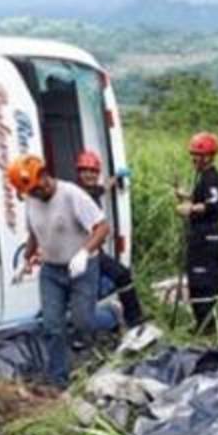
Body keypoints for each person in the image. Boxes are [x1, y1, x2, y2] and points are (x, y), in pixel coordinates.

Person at [7, 153, 110, 388]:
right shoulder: (32, 200)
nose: (34, 194)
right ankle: (58, 380)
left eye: (36, 189)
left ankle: (112, 316)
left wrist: (84, 253)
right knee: (52, 325)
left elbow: (102, 228)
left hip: (82, 268)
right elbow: (34, 232)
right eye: (29, 192)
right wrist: (25, 261)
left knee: (82, 321)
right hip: (52, 270)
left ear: (44, 175)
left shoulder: (72, 195)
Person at [74, 150, 160, 352]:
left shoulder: (91, 190)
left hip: (95, 252)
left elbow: (102, 188)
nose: (89, 175)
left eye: (93, 172)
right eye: (85, 171)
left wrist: (117, 178)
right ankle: (83, 337)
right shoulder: (76, 195)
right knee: (85, 295)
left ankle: (134, 319)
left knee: (122, 275)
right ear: (79, 173)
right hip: (82, 253)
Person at [175, 132, 218, 333]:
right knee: (196, 278)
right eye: (193, 154)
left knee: (203, 279)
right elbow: (202, 198)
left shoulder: (212, 178)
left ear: (209, 157)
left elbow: (214, 204)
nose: (194, 159)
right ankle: (201, 323)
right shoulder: (203, 177)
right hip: (199, 234)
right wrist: (186, 196)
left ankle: (207, 326)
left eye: (198, 155)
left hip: (208, 235)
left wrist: (190, 208)